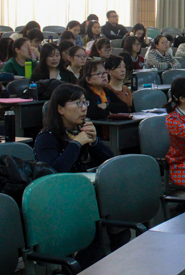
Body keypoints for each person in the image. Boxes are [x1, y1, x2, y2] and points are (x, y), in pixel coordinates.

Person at [33, 83, 127, 269]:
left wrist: (95, 142)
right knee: (97, 233)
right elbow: (52, 174)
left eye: (85, 103)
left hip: (86, 194)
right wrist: (76, 144)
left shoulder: (81, 130)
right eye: (77, 104)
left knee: (120, 223)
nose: (84, 108)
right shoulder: (46, 137)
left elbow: (110, 162)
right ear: (60, 109)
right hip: (60, 200)